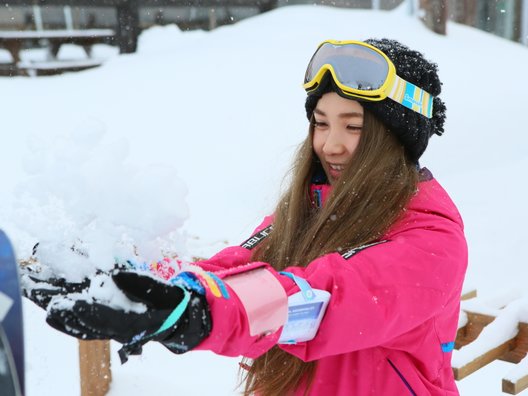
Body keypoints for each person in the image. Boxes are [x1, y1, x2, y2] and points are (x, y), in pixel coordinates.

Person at [22, 38, 467, 396]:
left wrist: (197, 314)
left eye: (353, 126)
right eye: (320, 121)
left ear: (394, 139)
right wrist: (130, 281)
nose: (331, 144)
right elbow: (234, 268)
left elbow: (319, 301)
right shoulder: (314, 203)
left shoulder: (431, 236)